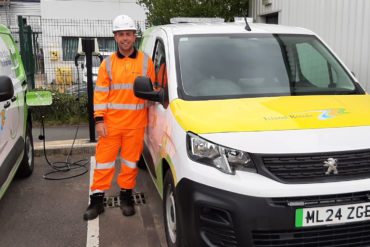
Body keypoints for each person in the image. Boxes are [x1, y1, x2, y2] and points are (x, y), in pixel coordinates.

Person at [83, 15, 155, 221]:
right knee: (104, 162)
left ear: (134, 37)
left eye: (129, 34)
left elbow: (152, 88)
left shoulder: (146, 62)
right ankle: (97, 200)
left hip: (136, 125)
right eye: (121, 34)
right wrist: (99, 120)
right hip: (111, 125)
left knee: (130, 163)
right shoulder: (108, 64)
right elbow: (100, 95)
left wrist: (152, 98)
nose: (125, 38)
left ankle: (126, 197)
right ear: (115, 37)